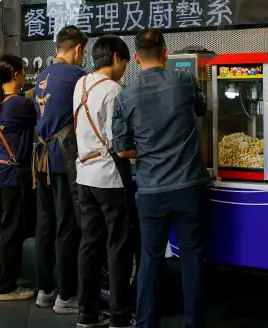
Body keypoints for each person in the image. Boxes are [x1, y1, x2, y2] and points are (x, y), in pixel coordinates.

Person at [112, 28, 208, 328]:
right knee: (192, 258)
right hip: (189, 187)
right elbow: (202, 109)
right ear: (166, 53)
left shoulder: (125, 97)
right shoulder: (185, 81)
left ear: (136, 57)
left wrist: (148, 148)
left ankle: (146, 323)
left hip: (151, 190)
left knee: (150, 259)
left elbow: (122, 149)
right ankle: (195, 323)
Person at [74, 35, 135, 328]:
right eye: (124, 63)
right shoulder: (113, 90)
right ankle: (120, 315)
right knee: (118, 245)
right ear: (115, 58)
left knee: (89, 244)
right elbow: (118, 142)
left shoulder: (81, 84)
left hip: (84, 175)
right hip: (109, 177)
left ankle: (86, 313)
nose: (124, 69)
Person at [33, 25, 88, 314]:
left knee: (45, 224)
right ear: (78, 49)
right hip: (63, 159)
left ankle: (44, 290)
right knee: (66, 225)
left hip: (40, 158)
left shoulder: (41, 77)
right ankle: (66, 295)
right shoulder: (77, 76)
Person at [0, 54, 37, 302]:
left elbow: (24, 96)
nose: (24, 77)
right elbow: (40, 111)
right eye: (23, 72)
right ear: (16, 75)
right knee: (11, 231)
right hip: (12, 177)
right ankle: (6, 287)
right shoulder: (20, 105)